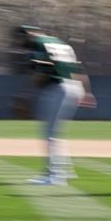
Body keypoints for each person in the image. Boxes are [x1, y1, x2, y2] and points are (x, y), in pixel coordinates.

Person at [24, 26, 96, 186]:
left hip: (58, 87)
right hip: (74, 86)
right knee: (55, 132)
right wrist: (87, 91)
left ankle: (54, 176)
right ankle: (64, 170)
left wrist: (27, 94)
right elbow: (78, 68)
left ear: (30, 34)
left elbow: (42, 72)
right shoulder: (61, 43)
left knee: (49, 132)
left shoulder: (39, 43)